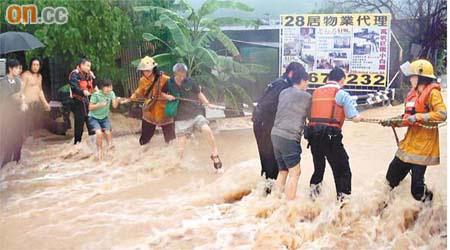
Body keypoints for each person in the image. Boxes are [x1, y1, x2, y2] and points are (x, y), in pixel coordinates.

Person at [380, 59, 447, 203]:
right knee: (389, 181)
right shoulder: (413, 94)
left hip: (423, 148)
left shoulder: (433, 93)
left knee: (417, 192)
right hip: (408, 145)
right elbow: (407, 118)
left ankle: (431, 209)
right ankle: (386, 213)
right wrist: (392, 121)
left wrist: (419, 116)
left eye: (413, 76)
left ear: (422, 76)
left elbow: (442, 114)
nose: (410, 79)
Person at [304, 67, 362, 202]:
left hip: (313, 137)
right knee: (343, 171)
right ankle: (343, 204)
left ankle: (311, 201)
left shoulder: (316, 92)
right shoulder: (342, 94)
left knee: (318, 170)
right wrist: (359, 117)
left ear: (328, 79)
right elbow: (353, 116)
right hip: (331, 138)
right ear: (342, 80)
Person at [162, 63, 223, 173]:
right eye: (179, 74)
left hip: (195, 114)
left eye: (183, 73)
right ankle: (175, 169)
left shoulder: (191, 82)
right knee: (181, 147)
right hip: (180, 118)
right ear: (175, 73)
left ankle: (214, 153)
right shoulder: (169, 83)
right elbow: (162, 93)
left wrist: (207, 103)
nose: (182, 76)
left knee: (207, 130)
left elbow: (199, 94)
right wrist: (168, 96)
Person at [252, 62, 305, 186]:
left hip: (261, 124)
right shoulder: (282, 86)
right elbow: (271, 106)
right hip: (265, 126)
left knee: (268, 161)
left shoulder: (278, 83)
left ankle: (265, 193)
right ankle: (269, 195)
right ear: (291, 73)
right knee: (272, 162)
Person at [271, 65, 311, 200]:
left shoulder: (284, 92)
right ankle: (289, 207)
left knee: (283, 171)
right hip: (289, 137)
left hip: (275, 134)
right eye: (307, 82)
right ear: (303, 81)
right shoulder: (306, 97)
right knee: (295, 172)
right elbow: (311, 116)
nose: (308, 85)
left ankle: (275, 202)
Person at [130, 56, 175, 146]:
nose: (145, 73)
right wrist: (134, 96)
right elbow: (140, 90)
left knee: (170, 140)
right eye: (144, 71)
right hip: (149, 110)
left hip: (163, 110)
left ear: (153, 69)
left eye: (148, 70)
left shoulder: (165, 79)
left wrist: (170, 96)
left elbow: (174, 90)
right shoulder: (142, 80)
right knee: (144, 140)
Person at [88, 79, 129, 160]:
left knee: (108, 133)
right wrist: (99, 104)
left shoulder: (111, 93)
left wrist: (117, 100)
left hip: (104, 118)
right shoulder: (96, 95)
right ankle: (99, 153)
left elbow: (114, 106)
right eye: (107, 87)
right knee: (99, 133)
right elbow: (90, 107)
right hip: (93, 118)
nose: (109, 89)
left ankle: (111, 152)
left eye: (110, 87)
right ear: (102, 87)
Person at [0, 59, 27, 167]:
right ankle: (5, 165)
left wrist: (23, 102)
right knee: (9, 140)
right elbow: (11, 97)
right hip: (8, 115)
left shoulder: (17, 80)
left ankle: (16, 162)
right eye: (16, 68)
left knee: (19, 138)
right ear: (10, 69)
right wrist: (21, 94)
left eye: (19, 68)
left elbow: (21, 96)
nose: (18, 70)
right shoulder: (4, 82)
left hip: (18, 114)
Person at [21, 58, 51, 138]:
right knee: (26, 126)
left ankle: (35, 145)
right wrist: (22, 103)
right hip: (27, 104)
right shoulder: (25, 75)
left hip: (36, 104)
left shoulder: (39, 76)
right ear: (30, 65)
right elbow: (21, 90)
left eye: (37, 65)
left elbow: (40, 90)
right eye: (33, 65)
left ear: (39, 66)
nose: (35, 67)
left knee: (37, 126)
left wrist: (45, 103)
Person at [69, 58, 96, 144]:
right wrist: (83, 92)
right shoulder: (74, 74)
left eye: (90, 66)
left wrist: (94, 78)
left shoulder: (89, 75)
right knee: (79, 127)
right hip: (78, 102)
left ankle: (95, 147)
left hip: (88, 102)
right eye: (87, 66)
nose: (89, 68)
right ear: (82, 65)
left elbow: (94, 86)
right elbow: (74, 87)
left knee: (92, 124)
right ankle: (77, 146)